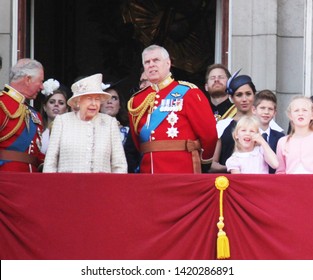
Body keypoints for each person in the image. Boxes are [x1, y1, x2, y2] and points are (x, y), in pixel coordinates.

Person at [127, 44, 217, 174]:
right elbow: (137, 142)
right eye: (147, 62)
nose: (151, 64)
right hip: (149, 172)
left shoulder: (188, 93)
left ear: (168, 63)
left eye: (156, 60)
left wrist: (204, 163)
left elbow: (209, 134)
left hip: (182, 170)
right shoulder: (137, 100)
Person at [43, 73, 127, 173]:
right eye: (89, 99)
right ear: (78, 101)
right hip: (68, 186)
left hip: (102, 186)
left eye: (97, 99)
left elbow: (119, 165)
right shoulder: (62, 122)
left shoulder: (110, 123)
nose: (94, 103)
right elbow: (50, 164)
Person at [0, 58, 45, 172]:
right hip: (6, 179)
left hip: (30, 181)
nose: (42, 87)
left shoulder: (35, 115)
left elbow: (36, 155)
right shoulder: (2, 104)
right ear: (28, 79)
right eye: (40, 81)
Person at [210, 70, 256, 173]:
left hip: (257, 183)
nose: (244, 99)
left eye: (248, 94)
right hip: (227, 183)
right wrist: (232, 167)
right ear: (231, 98)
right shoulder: (222, 125)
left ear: (254, 95)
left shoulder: (265, 124)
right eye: (239, 95)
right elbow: (212, 164)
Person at [276, 96, 313, 174]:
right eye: (296, 110)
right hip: (291, 184)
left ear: (312, 115)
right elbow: (280, 172)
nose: (300, 113)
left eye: (305, 110)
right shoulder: (283, 142)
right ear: (290, 116)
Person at [252, 89, 284, 173]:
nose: (266, 112)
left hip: (274, 182)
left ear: (275, 112)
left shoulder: (280, 137)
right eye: (262, 108)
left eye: (270, 109)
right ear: (254, 110)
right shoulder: (247, 134)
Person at [40, 78, 69, 154]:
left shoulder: (71, 133)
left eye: (61, 103)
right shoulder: (37, 133)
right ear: (45, 107)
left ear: (66, 109)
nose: (56, 105)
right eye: (52, 102)